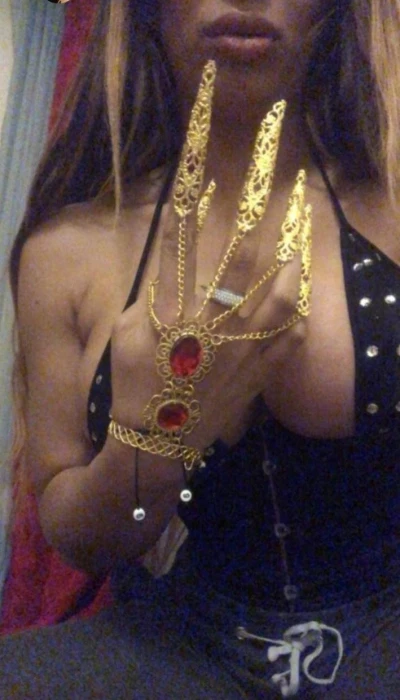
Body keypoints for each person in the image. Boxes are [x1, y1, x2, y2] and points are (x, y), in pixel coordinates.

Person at [1, 0, 400, 697]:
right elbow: (81, 540)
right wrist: (158, 440)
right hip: (186, 643)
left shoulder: (392, 205)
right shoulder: (64, 251)